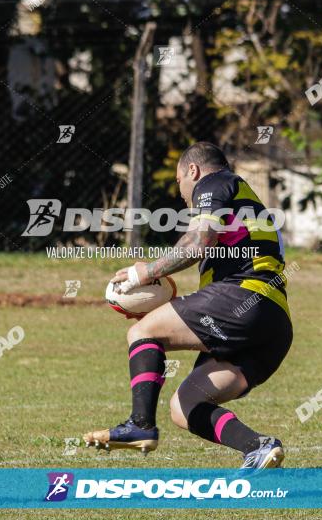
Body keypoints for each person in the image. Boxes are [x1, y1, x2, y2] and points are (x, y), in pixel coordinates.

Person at [83, 141, 292, 469]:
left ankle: (140, 424)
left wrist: (146, 272)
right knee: (185, 405)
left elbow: (199, 241)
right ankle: (259, 447)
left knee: (143, 331)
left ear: (192, 171)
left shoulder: (215, 183)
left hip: (243, 297)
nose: (182, 194)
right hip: (273, 327)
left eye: (181, 182)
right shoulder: (244, 200)